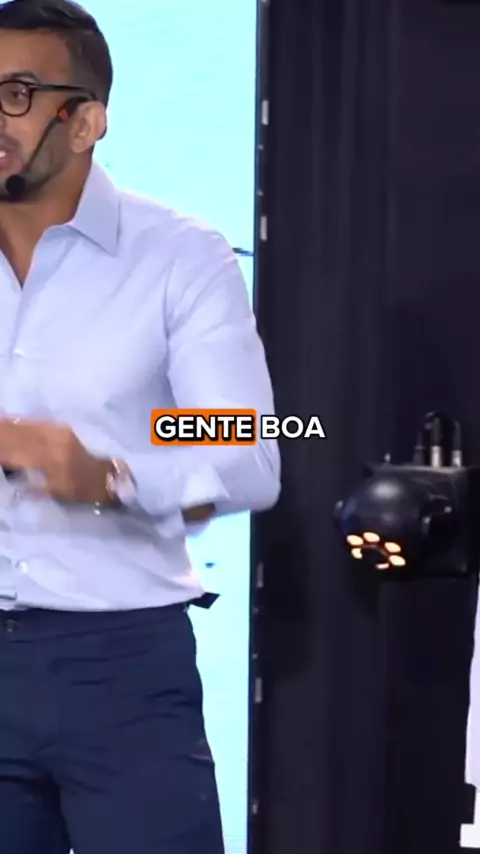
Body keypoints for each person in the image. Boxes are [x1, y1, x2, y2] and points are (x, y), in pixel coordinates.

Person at [0, 1, 281, 852]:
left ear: (86, 120)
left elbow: (245, 451)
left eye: (16, 93)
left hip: (118, 669)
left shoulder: (178, 257)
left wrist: (109, 476)